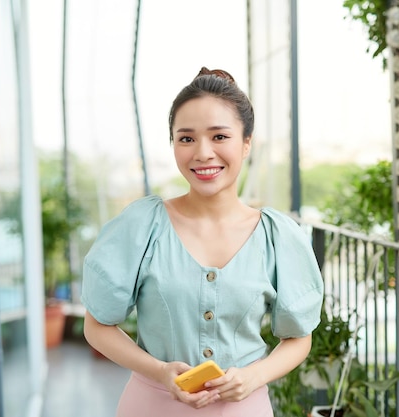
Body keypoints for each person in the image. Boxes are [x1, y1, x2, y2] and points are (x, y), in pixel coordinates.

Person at [81, 67, 324, 416]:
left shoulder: (277, 236)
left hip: (243, 408)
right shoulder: (142, 226)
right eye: (186, 138)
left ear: (246, 143)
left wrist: (254, 377)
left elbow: (299, 338)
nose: (203, 153)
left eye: (219, 137)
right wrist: (161, 372)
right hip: (152, 406)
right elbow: (97, 325)